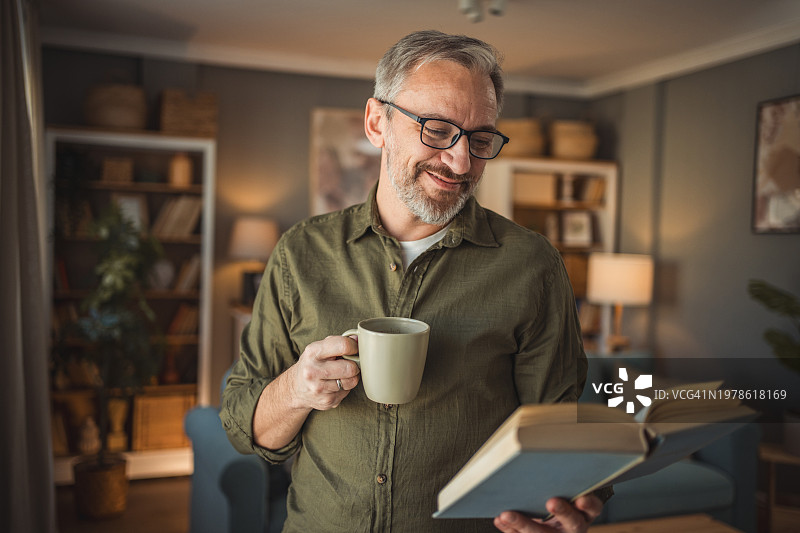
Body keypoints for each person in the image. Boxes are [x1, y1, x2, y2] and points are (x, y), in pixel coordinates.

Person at [221, 30, 610, 533]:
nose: (462, 161)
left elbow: (555, 426)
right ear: (377, 122)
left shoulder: (533, 265)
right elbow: (242, 425)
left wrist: (575, 495)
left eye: (480, 138)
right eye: (437, 128)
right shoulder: (300, 254)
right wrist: (297, 388)